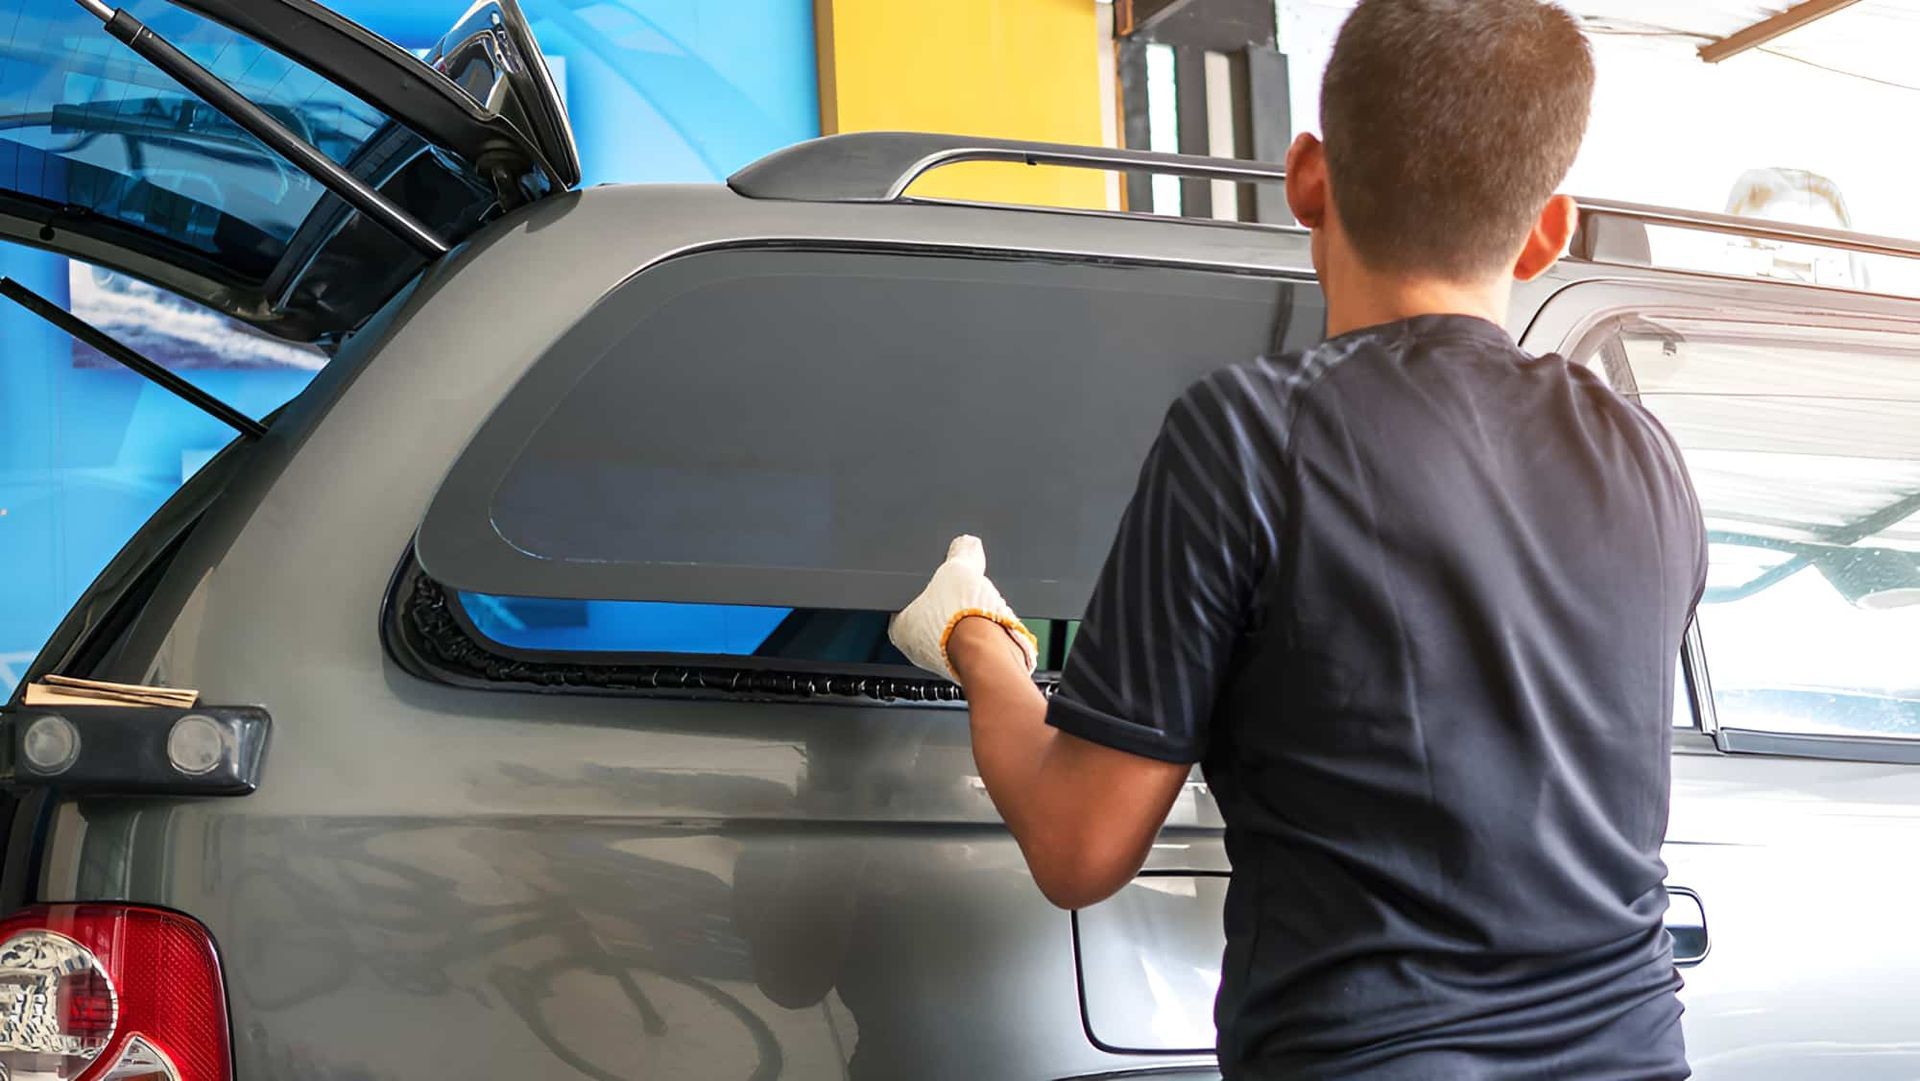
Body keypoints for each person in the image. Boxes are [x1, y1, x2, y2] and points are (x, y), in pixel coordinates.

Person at [886, 1, 1705, 1077]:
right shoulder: (1645, 455)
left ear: (1308, 178)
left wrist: (975, 635)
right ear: (1549, 229)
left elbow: (1080, 845)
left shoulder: (1249, 433)